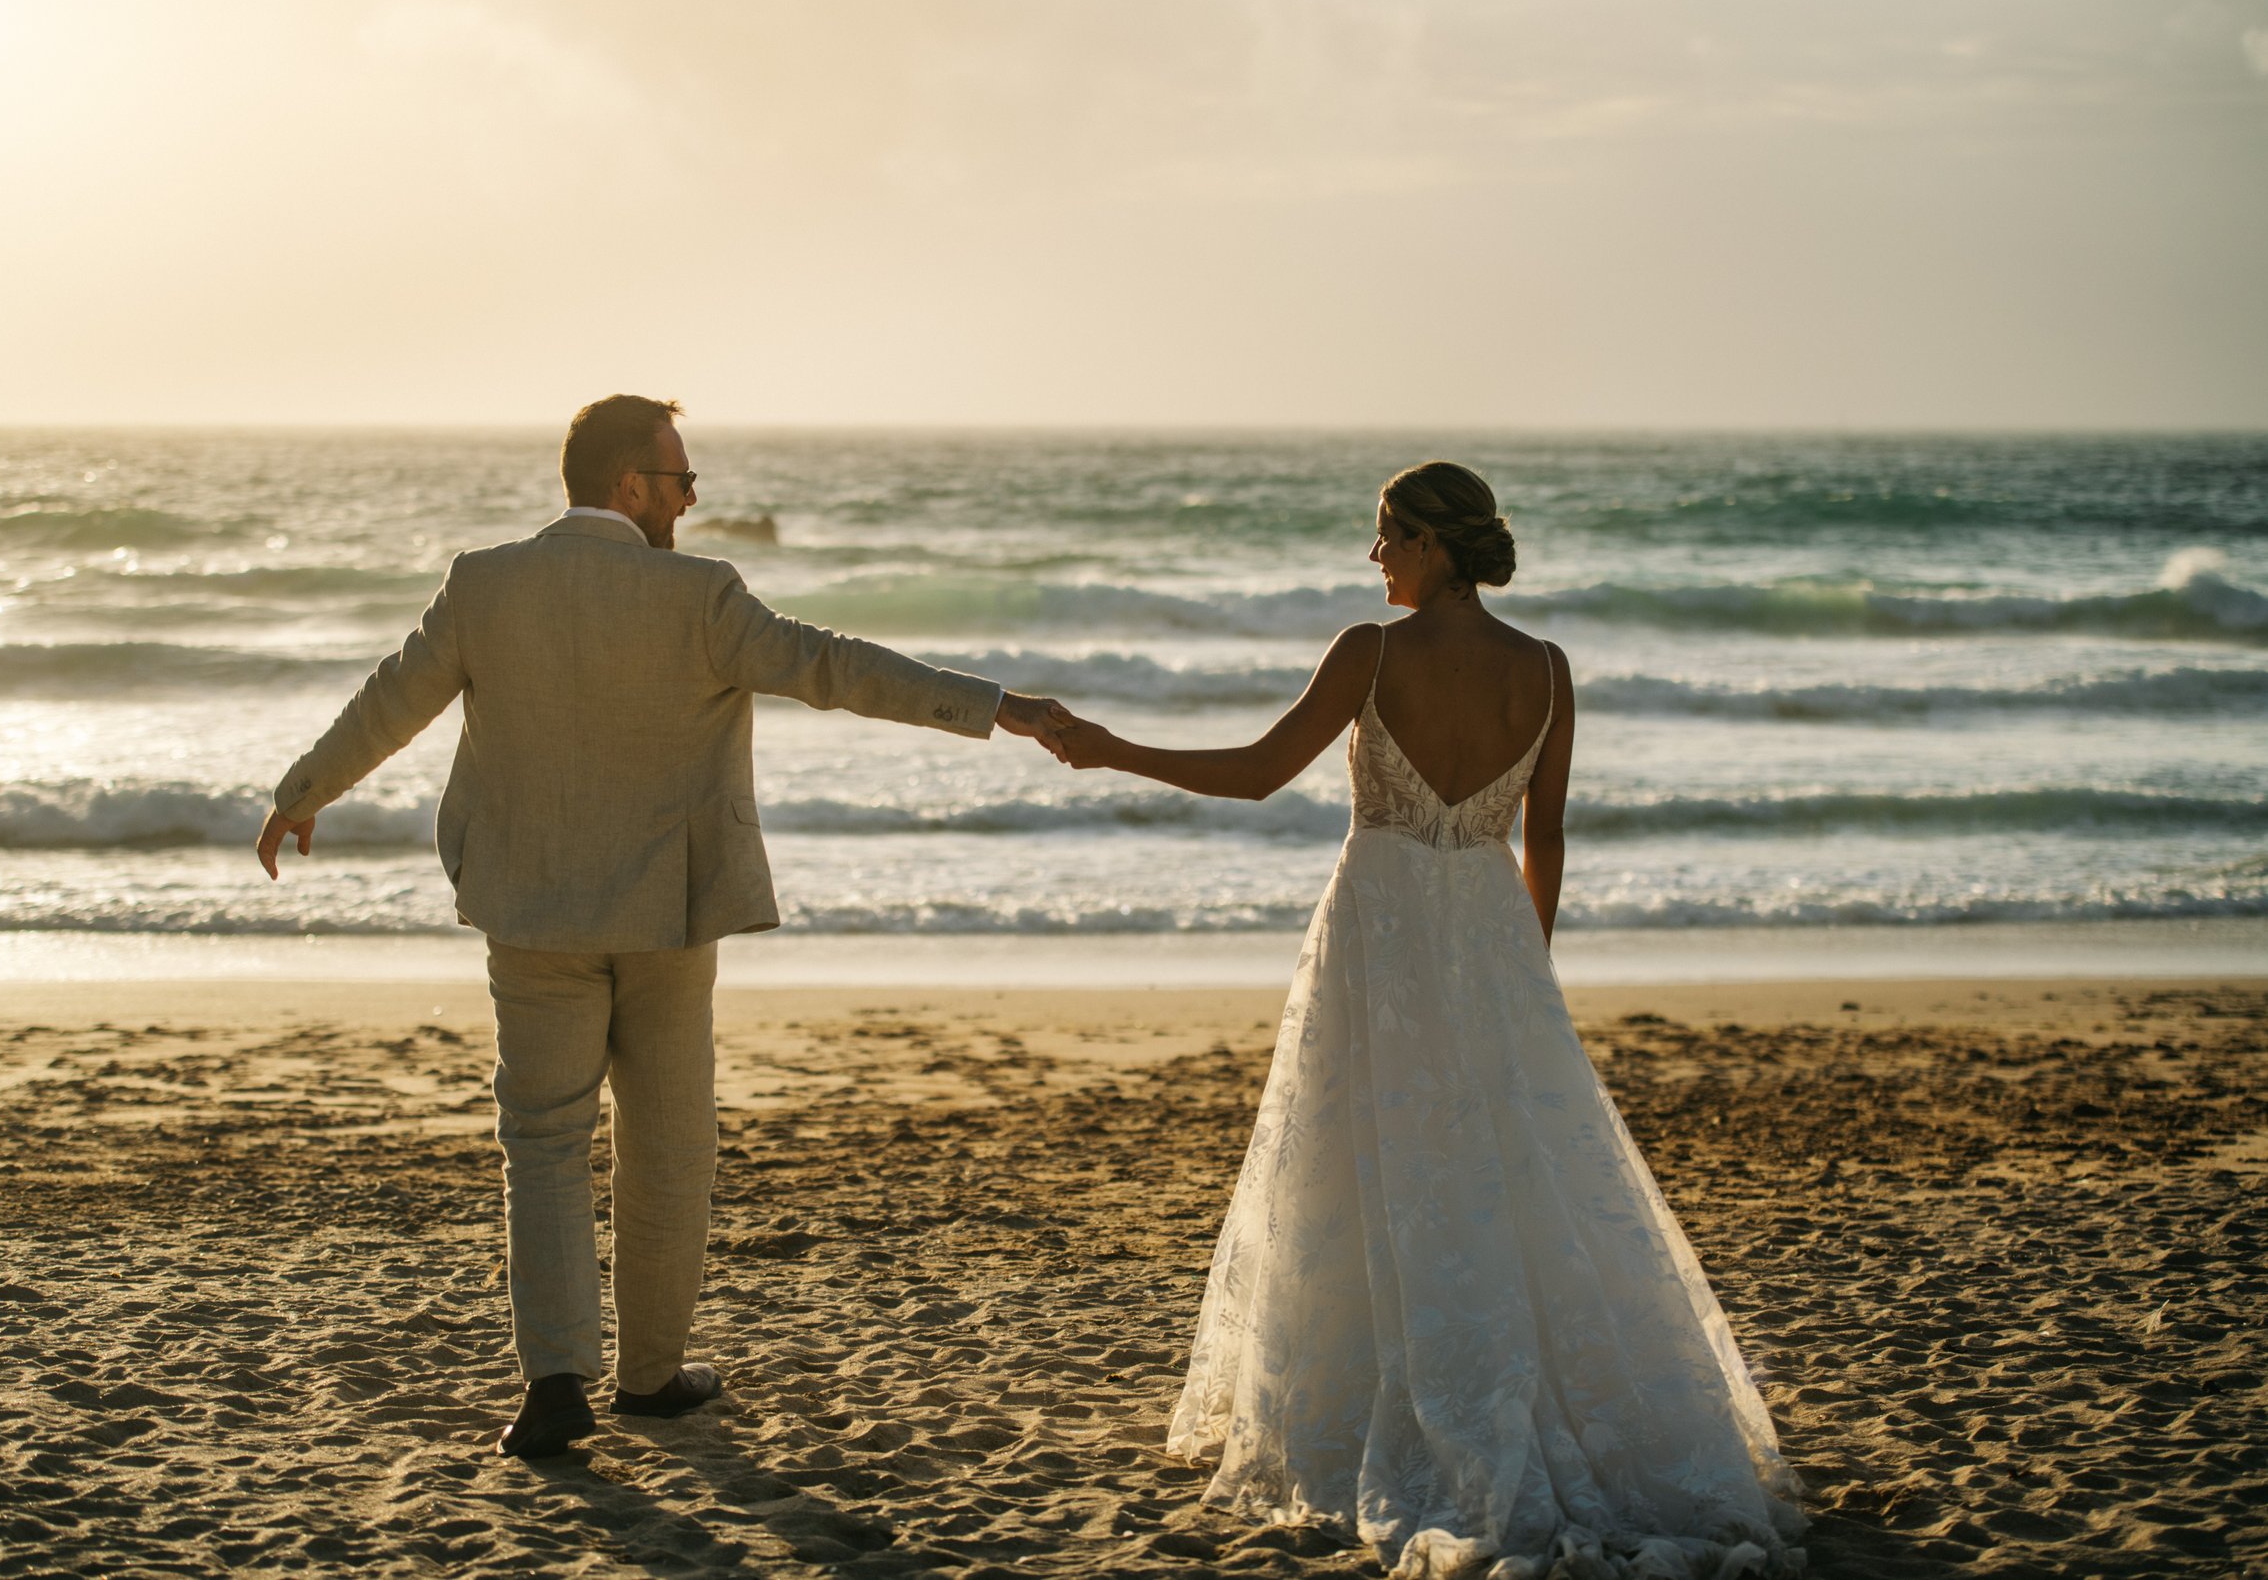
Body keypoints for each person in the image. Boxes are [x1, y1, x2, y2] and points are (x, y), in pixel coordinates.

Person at [255, 395, 1070, 1458]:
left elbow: (392, 698)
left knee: (541, 1141)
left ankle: (554, 1381)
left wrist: (305, 788)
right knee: (668, 1144)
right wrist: (994, 704)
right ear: (632, 486)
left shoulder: (484, 583)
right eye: (682, 481)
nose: (690, 501)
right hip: (667, 914)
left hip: (531, 909)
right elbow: (834, 666)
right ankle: (647, 1376)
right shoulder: (701, 595)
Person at [1045, 462, 1803, 1578]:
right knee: (1504, 1169)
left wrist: (1112, 746)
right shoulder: (1545, 669)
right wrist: (1521, 972)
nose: (1375, 557)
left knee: (1364, 1158)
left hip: (1383, 934)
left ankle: (1366, 1413)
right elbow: (1546, 838)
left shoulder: (1373, 650)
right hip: (1491, 938)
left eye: (1389, 534)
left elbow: (1260, 773)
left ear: (1436, 546)